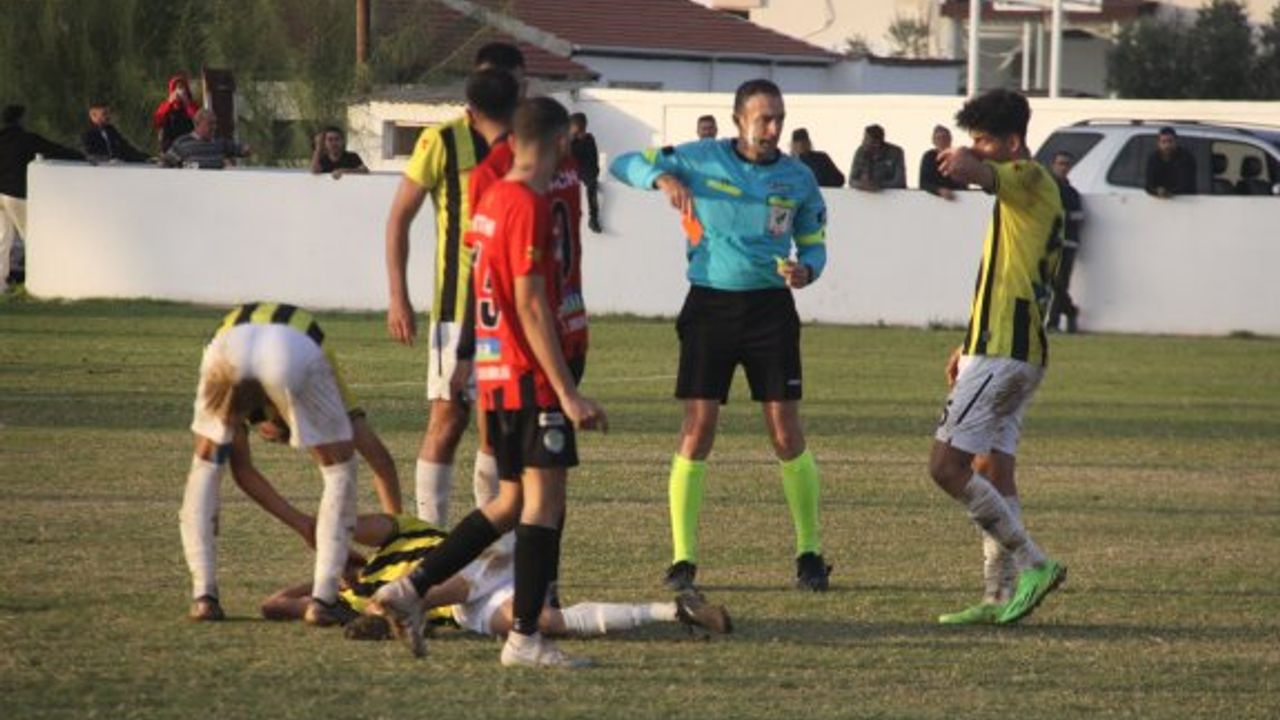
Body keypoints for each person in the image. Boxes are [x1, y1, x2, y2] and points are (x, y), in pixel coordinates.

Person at [372, 97, 607, 669]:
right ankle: (525, 638)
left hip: (498, 376)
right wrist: (566, 391)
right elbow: (528, 302)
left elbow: (488, 284)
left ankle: (410, 588)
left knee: (508, 502)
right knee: (542, 506)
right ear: (557, 143)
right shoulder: (524, 201)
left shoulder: (490, 196)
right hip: (531, 377)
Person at [610, 79, 832, 593]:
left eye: (778, 117)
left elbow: (814, 244)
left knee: (784, 431)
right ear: (738, 120)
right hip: (710, 304)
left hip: (771, 311)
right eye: (763, 118)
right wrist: (663, 178)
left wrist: (807, 271)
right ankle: (683, 559)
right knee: (699, 428)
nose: (773, 128)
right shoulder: (700, 157)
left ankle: (810, 553)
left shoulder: (799, 179)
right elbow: (622, 162)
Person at [931, 89, 1067, 626]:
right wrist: (968, 342)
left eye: (985, 140)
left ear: (1013, 142)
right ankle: (997, 596)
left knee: (945, 467)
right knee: (993, 470)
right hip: (1005, 349)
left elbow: (984, 175)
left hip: (1004, 354)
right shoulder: (1021, 200)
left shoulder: (1029, 177)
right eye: (974, 141)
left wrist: (967, 164)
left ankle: (1036, 563)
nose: (977, 149)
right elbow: (1008, 276)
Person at [384, 44, 526, 529]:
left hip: (512, 311)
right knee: (448, 420)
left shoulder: (531, 144)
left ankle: (489, 540)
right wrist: (398, 297)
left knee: (497, 430)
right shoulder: (441, 141)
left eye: (519, 83)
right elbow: (399, 219)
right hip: (456, 309)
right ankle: (431, 536)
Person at [181, 303, 367, 627]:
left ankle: (203, 597)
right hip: (291, 346)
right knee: (340, 471)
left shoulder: (243, 390)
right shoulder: (316, 360)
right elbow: (375, 454)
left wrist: (303, 525)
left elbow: (242, 470)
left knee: (206, 466)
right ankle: (324, 600)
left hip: (226, 345)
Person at [261, 513, 731, 641]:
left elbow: (346, 522)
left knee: (406, 595)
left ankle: (413, 602)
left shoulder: (397, 532)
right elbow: (274, 603)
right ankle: (677, 611)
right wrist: (321, 587)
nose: (338, 556)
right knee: (544, 624)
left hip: (484, 561)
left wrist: (322, 532)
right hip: (469, 608)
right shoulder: (359, 597)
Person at [0, 105, 84, 292]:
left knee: (3, 238)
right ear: (21, 119)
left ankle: (0, 284)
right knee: (30, 236)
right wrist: (81, 156)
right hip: (15, 193)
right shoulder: (26, 139)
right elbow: (54, 149)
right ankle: (39, 283)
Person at [1047, 151, 1083, 334]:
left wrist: (1064, 216)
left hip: (1067, 243)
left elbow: (1077, 217)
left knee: (1060, 283)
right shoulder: (1046, 189)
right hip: (1048, 243)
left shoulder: (1072, 193)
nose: (1063, 167)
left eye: (1066, 164)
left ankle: (1053, 323)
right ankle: (1069, 311)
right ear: (1053, 165)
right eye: (1060, 163)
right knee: (1054, 282)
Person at [164, 109, 250, 169]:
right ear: (197, 124)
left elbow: (242, 150)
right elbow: (166, 164)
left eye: (215, 124)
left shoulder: (220, 143)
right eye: (210, 124)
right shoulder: (182, 143)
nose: (214, 127)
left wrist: (245, 149)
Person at [81, 101, 150, 163]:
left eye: (107, 113)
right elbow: (91, 153)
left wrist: (146, 158)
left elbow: (125, 147)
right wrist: (109, 159)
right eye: (104, 114)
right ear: (93, 116)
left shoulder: (110, 130)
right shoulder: (87, 133)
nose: (107, 116)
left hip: (118, 165)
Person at [569, 112, 602, 233]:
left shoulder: (589, 139)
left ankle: (593, 218)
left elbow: (593, 158)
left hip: (586, 171)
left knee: (592, 185)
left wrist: (594, 173)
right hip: (571, 171)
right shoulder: (567, 140)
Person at [848, 124, 906, 191]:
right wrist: (862, 185)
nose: (863, 142)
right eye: (864, 138)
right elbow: (851, 181)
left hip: (893, 197)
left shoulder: (895, 153)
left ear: (876, 143)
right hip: (865, 197)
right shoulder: (860, 152)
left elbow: (900, 182)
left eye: (867, 139)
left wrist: (878, 185)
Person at [1145, 127, 1197, 198]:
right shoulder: (1153, 159)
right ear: (1158, 143)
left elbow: (1186, 184)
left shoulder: (1186, 158)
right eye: (1163, 142)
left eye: (1170, 141)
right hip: (1156, 202)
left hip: (1183, 201)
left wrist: (1170, 192)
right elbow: (1148, 185)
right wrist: (1157, 191)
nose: (1167, 145)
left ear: (1176, 141)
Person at [153, 74, 200, 152]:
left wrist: (187, 104)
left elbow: (198, 121)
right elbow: (158, 122)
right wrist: (169, 103)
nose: (180, 91)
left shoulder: (192, 105)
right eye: (178, 88)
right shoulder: (165, 105)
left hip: (188, 142)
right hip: (170, 143)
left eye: (182, 87)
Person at [919, 125, 965, 199]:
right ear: (933, 141)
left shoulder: (959, 156)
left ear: (950, 139)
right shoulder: (929, 157)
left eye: (945, 137)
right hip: (933, 199)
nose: (942, 140)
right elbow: (924, 183)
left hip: (958, 198)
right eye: (938, 138)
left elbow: (964, 182)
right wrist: (939, 190)